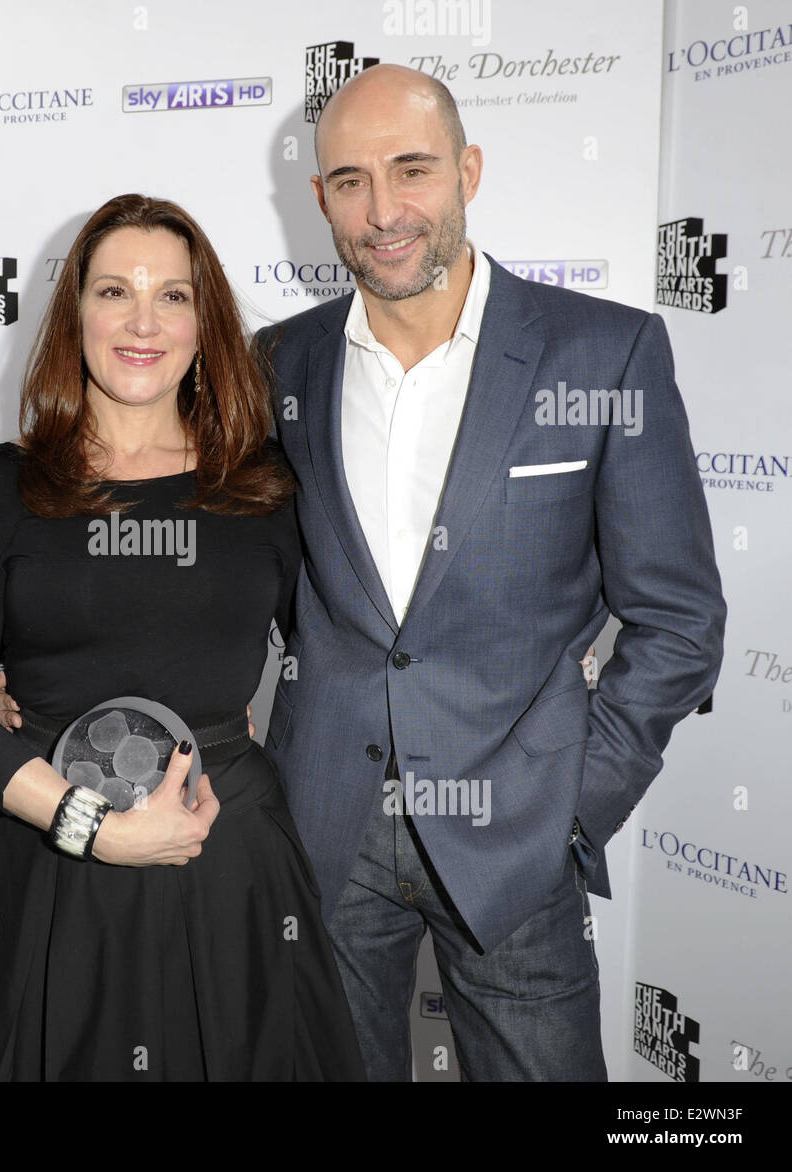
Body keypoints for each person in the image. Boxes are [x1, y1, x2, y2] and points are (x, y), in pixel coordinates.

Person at [256, 64, 726, 1081]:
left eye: (411, 169)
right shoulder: (275, 366)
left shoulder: (604, 354)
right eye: (348, 180)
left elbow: (679, 621)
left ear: (467, 168)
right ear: (319, 198)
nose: (382, 212)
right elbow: (251, 584)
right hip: (325, 829)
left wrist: (568, 807)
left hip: (516, 835)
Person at [0, 193, 366, 1080]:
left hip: (229, 858)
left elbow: (347, 654)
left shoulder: (268, 487)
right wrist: (93, 827)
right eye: (115, 291)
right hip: (52, 862)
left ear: (207, 324)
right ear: (73, 313)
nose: (142, 322)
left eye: (174, 296)